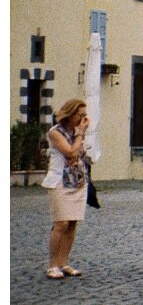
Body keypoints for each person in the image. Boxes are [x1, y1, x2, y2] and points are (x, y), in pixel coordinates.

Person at [42, 98, 91, 279]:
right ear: (70, 115)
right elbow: (70, 152)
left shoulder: (77, 132)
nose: (83, 119)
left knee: (72, 223)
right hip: (60, 182)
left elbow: (80, 153)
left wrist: (79, 137)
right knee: (61, 223)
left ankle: (64, 262)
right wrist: (80, 135)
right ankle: (53, 264)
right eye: (80, 115)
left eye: (85, 115)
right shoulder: (56, 133)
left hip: (76, 181)